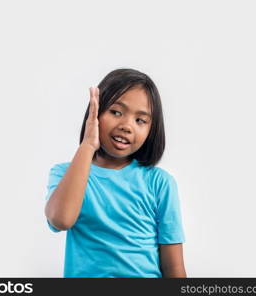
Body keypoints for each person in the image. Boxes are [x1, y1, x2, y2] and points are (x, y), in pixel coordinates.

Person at [44, 68, 187, 278]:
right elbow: (61, 219)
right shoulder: (66, 173)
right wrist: (87, 145)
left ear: (151, 130)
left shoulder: (160, 183)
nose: (126, 126)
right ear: (96, 113)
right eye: (116, 112)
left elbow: (174, 267)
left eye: (140, 120)